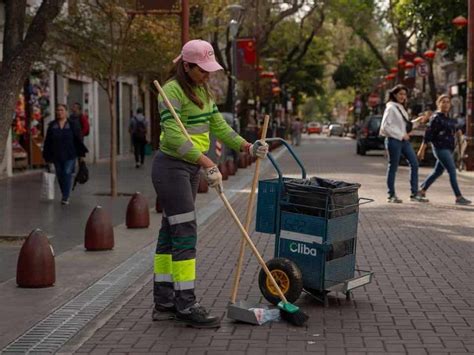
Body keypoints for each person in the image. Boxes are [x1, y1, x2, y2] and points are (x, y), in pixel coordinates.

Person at [151, 39, 269, 329]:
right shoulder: (170, 92)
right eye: (202, 70)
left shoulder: (202, 90)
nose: (208, 75)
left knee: (171, 234)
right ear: (187, 66)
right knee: (186, 233)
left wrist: (247, 146)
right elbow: (176, 140)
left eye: (209, 70)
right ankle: (186, 304)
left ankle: (165, 303)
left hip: (191, 169)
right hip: (171, 168)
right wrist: (208, 163)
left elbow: (218, 126)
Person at [417, 95, 471, 205]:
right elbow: (428, 134)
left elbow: (455, 128)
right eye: (443, 102)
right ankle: (458, 197)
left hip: (449, 148)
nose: (446, 104)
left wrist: (459, 133)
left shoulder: (449, 118)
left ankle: (421, 191)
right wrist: (422, 149)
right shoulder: (436, 117)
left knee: (438, 171)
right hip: (440, 148)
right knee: (452, 170)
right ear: (439, 104)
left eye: (448, 102)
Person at [380, 84, 427, 203]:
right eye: (400, 94)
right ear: (394, 94)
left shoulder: (401, 108)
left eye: (404, 94)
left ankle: (414, 193)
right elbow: (385, 127)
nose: (403, 96)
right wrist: (401, 135)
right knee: (393, 167)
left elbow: (404, 126)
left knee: (414, 163)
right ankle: (391, 195)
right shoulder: (390, 108)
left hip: (404, 141)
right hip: (394, 141)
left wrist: (417, 121)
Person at [43, 104, 88, 205]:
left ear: (66, 112)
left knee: (67, 173)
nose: (59, 112)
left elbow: (78, 140)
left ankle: (65, 196)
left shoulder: (72, 125)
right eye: (58, 110)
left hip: (70, 154)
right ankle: (64, 193)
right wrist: (46, 156)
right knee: (60, 175)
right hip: (56, 155)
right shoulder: (52, 125)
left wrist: (81, 156)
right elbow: (47, 142)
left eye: (62, 110)